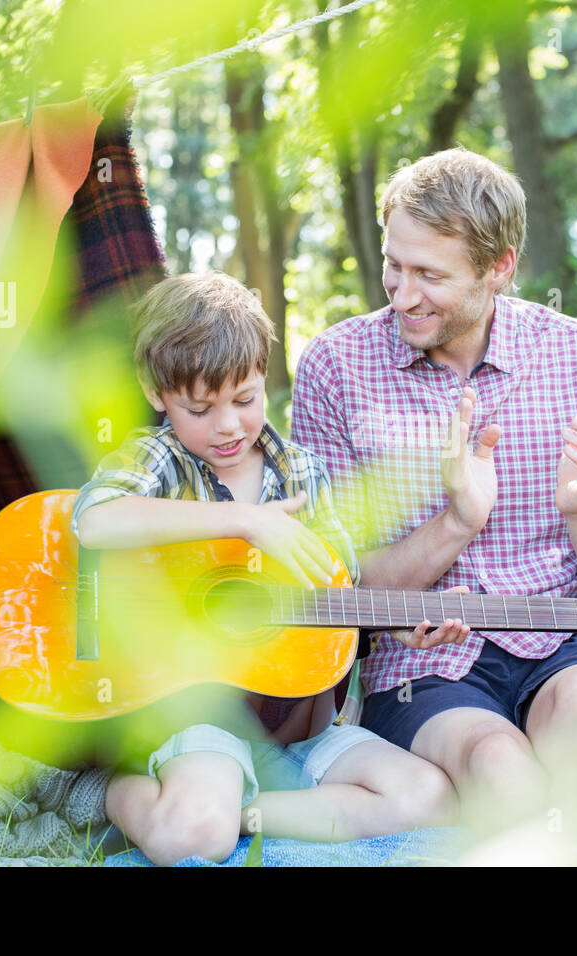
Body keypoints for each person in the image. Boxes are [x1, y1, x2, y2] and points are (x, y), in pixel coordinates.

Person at [290, 148, 577, 863]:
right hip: (424, 670)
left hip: (567, 642)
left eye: (431, 275)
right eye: (393, 265)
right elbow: (336, 588)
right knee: (498, 760)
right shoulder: (334, 368)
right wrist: (455, 524)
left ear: (500, 268)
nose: (402, 294)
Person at [72, 272, 454, 865]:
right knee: (192, 838)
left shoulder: (303, 475)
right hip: (200, 722)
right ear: (156, 392)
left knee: (427, 796)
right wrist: (247, 522)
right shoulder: (161, 458)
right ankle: (114, 794)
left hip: (292, 728)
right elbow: (95, 520)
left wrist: (389, 625)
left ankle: (246, 814)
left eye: (246, 400)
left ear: (264, 377)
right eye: (200, 408)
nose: (227, 426)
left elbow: (335, 594)